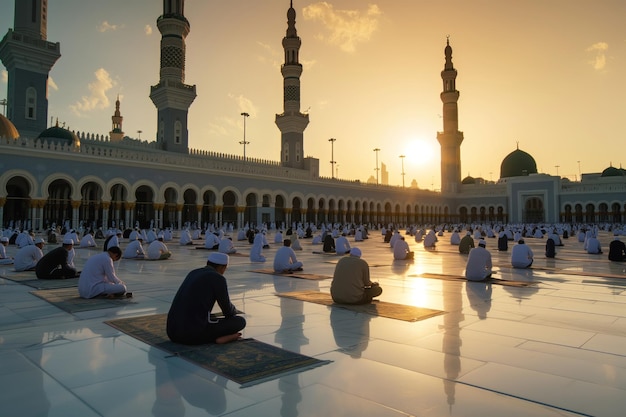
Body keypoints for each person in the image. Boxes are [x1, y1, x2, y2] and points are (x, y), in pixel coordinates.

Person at [166, 252, 246, 345]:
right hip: (190, 335)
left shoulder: (193, 272)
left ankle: (219, 336)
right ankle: (221, 338)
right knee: (240, 321)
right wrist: (234, 312)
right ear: (222, 267)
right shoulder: (218, 278)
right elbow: (227, 310)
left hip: (172, 332)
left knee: (210, 317)